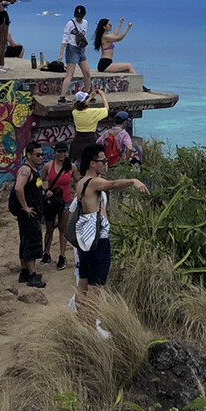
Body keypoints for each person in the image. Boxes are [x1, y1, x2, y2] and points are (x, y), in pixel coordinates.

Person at [71, 143, 148, 338]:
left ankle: (80, 323)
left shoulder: (80, 183)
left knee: (84, 282)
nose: (106, 164)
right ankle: (90, 328)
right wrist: (133, 180)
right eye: (102, 161)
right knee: (96, 286)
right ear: (92, 163)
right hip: (98, 239)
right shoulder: (94, 182)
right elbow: (112, 185)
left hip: (85, 236)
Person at [9, 145, 47, 288]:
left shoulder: (32, 170)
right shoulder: (25, 170)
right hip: (29, 214)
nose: (41, 157)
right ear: (29, 155)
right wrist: (25, 207)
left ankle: (25, 272)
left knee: (25, 241)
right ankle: (32, 275)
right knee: (32, 242)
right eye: (37, 155)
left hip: (31, 212)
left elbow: (35, 185)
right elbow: (19, 187)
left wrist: (44, 191)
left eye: (42, 154)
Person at [40, 142, 75, 269]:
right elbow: (39, 180)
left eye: (64, 152)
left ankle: (62, 255)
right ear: (55, 152)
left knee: (62, 228)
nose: (62, 154)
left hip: (65, 201)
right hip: (51, 201)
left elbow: (78, 180)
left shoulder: (71, 167)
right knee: (49, 228)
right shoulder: (48, 166)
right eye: (59, 152)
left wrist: (76, 194)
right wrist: (45, 190)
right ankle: (46, 252)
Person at [59, 4, 93, 99]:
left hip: (81, 49)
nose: (79, 18)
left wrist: (84, 49)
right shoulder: (70, 24)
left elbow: (84, 36)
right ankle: (62, 96)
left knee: (87, 72)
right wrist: (61, 54)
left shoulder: (85, 23)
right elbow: (65, 39)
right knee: (70, 74)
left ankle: (87, 93)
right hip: (72, 49)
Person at [69, 88, 109, 166]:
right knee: (90, 163)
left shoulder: (75, 112)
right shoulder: (93, 112)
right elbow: (106, 109)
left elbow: (81, 104)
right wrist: (102, 95)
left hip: (78, 141)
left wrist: (90, 97)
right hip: (90, 139)